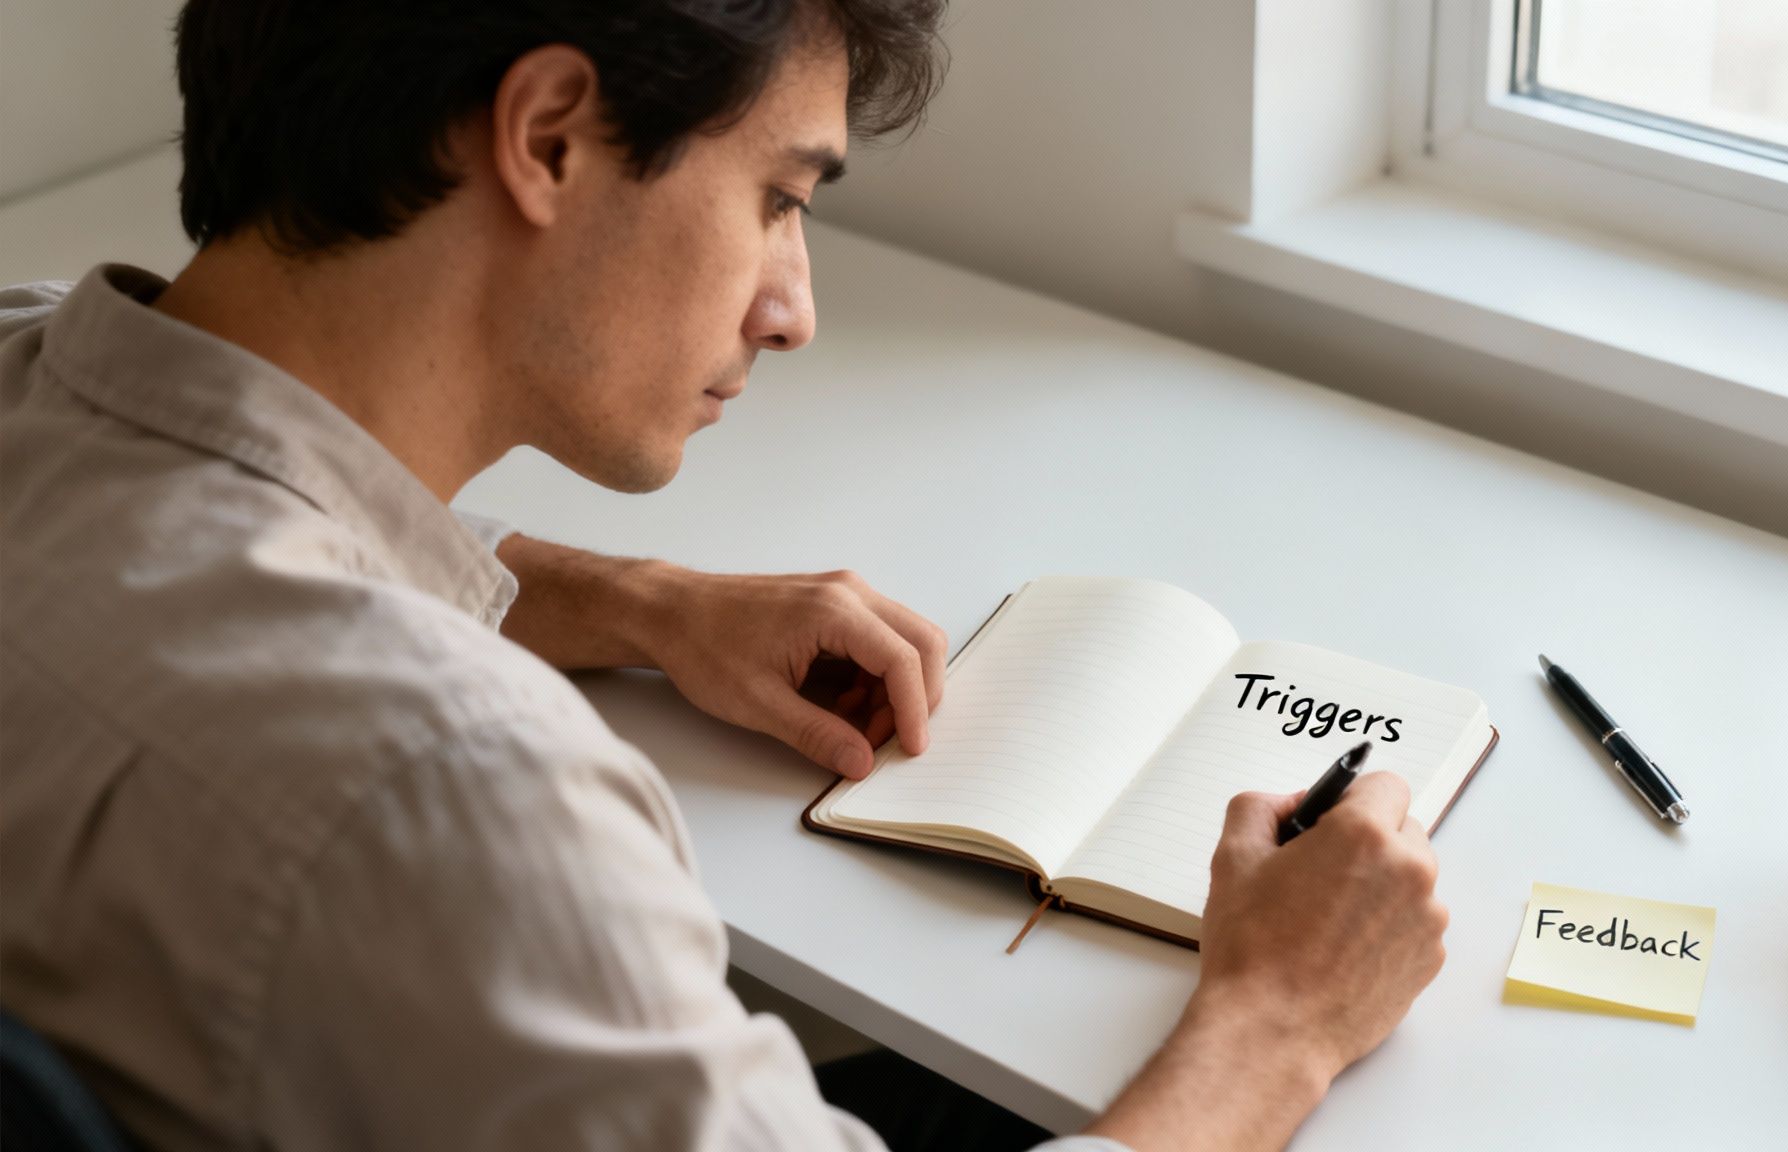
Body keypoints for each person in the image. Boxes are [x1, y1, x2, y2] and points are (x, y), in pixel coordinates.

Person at [0, 1, 1451, 1149]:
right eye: (778, 196)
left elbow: (213, 489)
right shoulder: (461, 799)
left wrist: (635, 603)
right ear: (551, 136)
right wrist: (1279, 1022)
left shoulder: (32, 374)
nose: (795, 309)